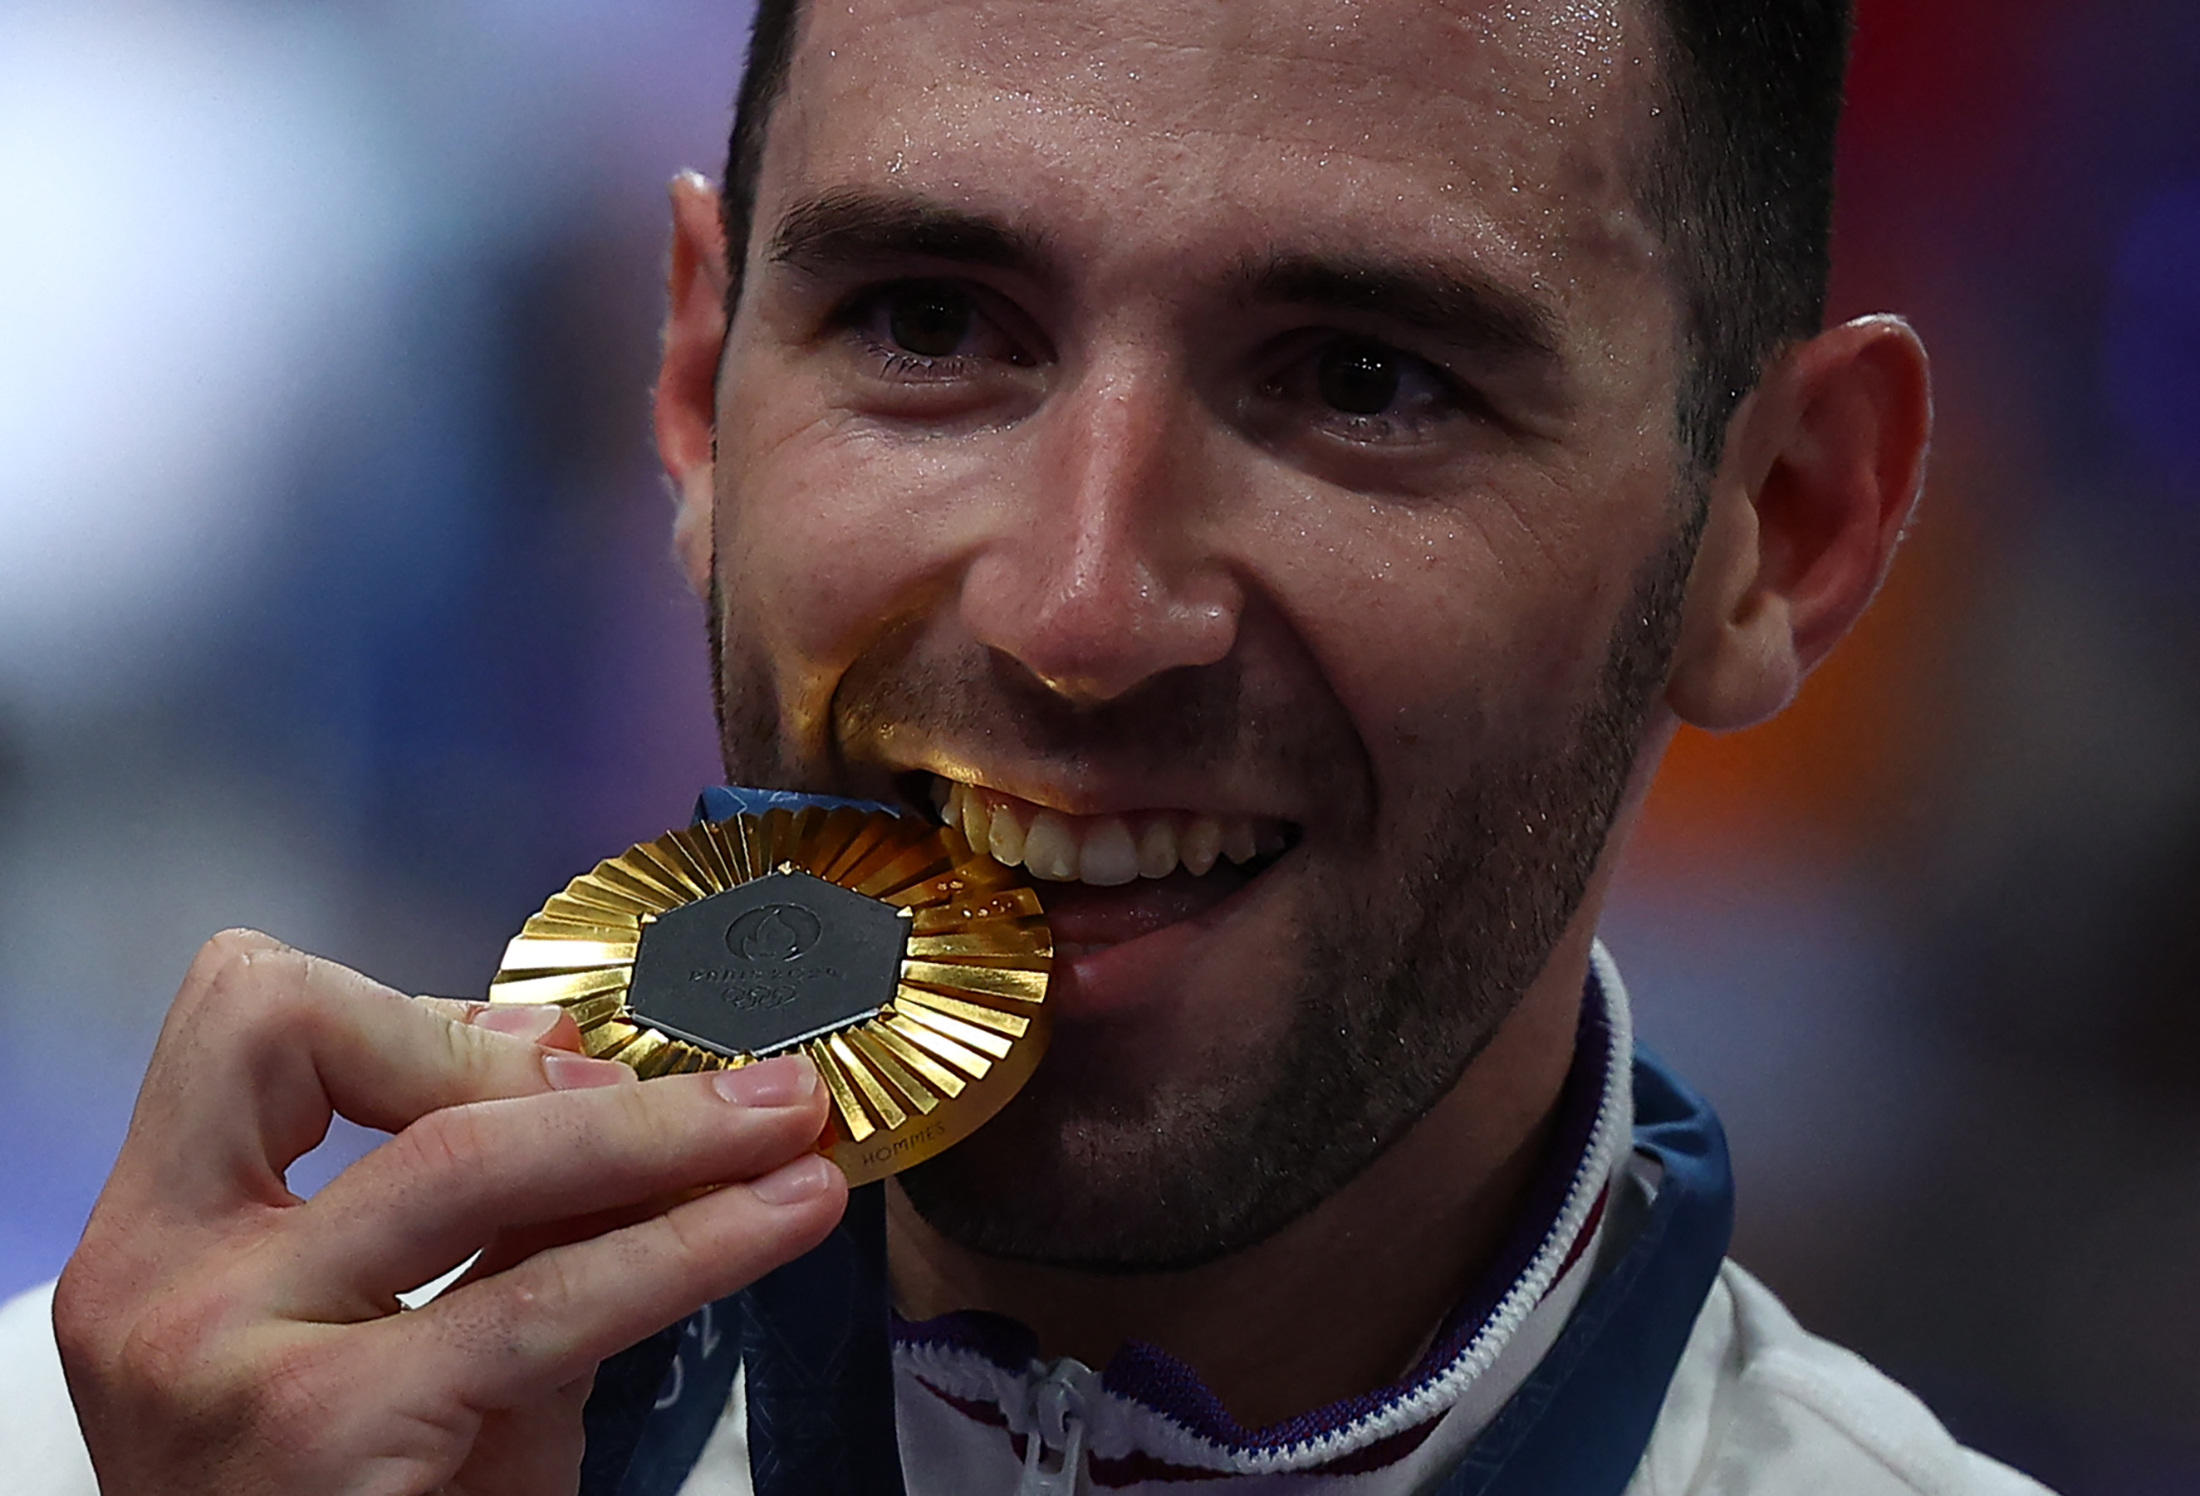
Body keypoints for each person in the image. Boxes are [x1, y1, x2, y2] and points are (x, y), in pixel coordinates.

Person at [1, 0, 2058, 1491]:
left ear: (1776, 525)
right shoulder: (113, 1444)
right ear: (702, 385)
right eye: (925, 325)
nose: (1075, 611)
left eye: (1360, 377)